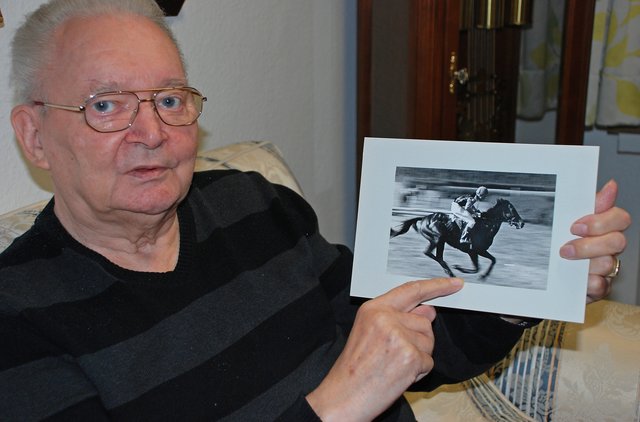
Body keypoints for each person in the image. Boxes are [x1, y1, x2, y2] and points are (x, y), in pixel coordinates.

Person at [0, 0, 630, 420]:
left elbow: (412, 346)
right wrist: (336, 405)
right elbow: (361, 380)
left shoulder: (255, 203)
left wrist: (525, 288)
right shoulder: (17, 317)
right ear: (34, 136)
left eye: (169, 99)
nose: (152, 130)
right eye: (106, 105)